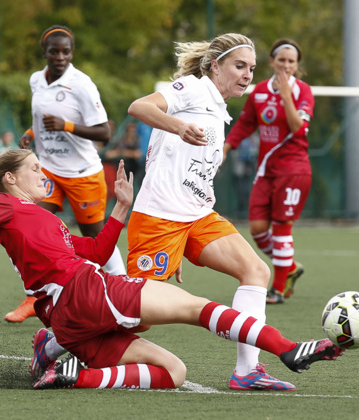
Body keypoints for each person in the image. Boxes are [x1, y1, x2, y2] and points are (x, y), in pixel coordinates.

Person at [0, 146, 344, 391]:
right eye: (35, 168)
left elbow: (93, 249)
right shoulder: (6, 204)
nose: (43, 174)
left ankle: (75, 374)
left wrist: (121, 207)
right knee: (197, 307)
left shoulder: (43, 218)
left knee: (175, 373)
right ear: (11, 177)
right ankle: (286, 348)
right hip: (83, 295)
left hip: (70, 318)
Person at [123, 33, 295, 391]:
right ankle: (59, 342)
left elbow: (187, 171)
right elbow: (139, 107)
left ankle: (247, 370)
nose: (247, 74)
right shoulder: (193, 88)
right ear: (215, 66)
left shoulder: (219, 109)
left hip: (197, 218)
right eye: (239, 66)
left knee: (255, 270)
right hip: (157, 219)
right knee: (134, 318)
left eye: (251, 68)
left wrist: (184, 241)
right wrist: (179, 126)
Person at [12, 24, 126, 323]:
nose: (60, 56)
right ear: (45, 53)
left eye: (66, 51)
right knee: (30, 229)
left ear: (72, 53)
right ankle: (35, 298)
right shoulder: (37, 79)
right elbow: (39, 118)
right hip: (48, 169)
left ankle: (124, 286)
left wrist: (67, 126)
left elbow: (103, 132)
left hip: (82, 174)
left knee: (95, 239)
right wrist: (30, 134)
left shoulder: (82, 85)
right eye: (54, 51)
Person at [224, 39, 313, 306]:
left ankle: (277, 288)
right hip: (266, 170)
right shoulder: (259, 91)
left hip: (294, 169)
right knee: (258, 229)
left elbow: (299, 128)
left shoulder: (303, 91)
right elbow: (246, 123)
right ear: (272, 62)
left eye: (291, 61)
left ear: (297, 66)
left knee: (282, 230)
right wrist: (226, 147)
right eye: (281, 60)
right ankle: (290, 267)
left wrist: (286, 96)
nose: (286, 65)